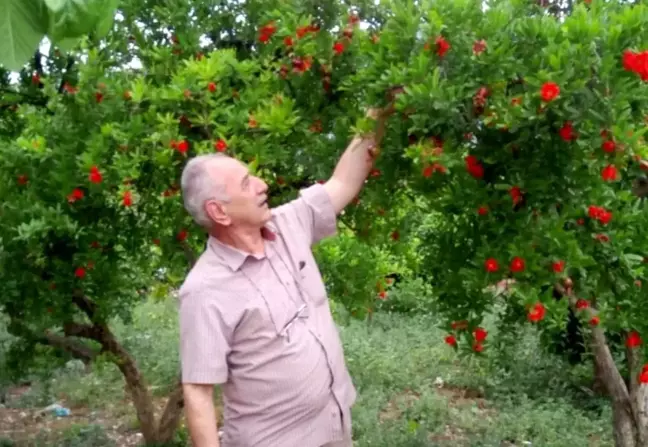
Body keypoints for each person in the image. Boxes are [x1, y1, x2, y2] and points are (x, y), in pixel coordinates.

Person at [177, 106, 391, 447]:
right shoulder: (204, 290)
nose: (263, 185)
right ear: (218, 211)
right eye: (247, 183)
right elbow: (198, 391)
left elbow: (343, 181)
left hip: (333, 425)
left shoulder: (287, 223)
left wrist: (378, 112)